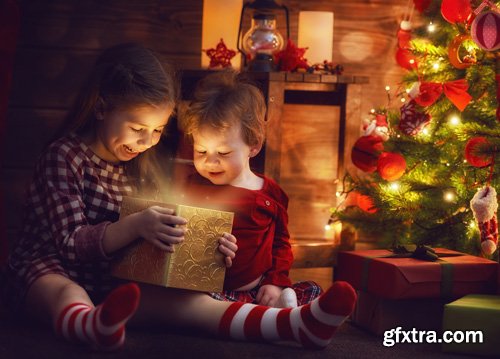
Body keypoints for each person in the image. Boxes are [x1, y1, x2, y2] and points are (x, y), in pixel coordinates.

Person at [2, 43, 356, 352]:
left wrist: (207, 246)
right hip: (51, 269)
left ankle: (291, 326)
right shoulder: (65, 157)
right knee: (62, 290)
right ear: (101, 108)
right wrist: (137, 224)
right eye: (139, 129)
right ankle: (90, 326)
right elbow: (70, 245)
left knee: (190, 303)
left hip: (114, 281)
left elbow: (152, 243)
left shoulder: (140, 165)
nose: (147, 141)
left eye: (157, 130)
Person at [177, 71, 322, 309]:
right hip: (210, 291)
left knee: (313, 290)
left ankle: (281, 309)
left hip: (256, 291)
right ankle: (275, 319)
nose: (210, 162)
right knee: (194, 302)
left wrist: (275, 283)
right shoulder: (192, 186)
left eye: (223, 153)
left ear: (253, 146)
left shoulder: (269, 194)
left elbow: (281, 244)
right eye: (201, 151)